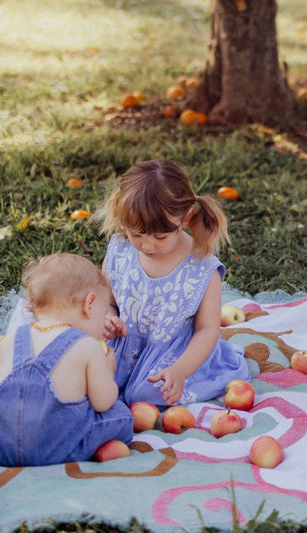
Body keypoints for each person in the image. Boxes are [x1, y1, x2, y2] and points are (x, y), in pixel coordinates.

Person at [99, 158, 250, 407]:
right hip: (125, 347)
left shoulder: (202, 267)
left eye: (160, 236)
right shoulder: (120, 250)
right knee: (85, 375)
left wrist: (180, 371)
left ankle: (196, 378)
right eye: (136, 234)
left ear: (186, 218)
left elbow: (207, 330)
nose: (147, 245)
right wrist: (108, 317)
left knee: (144, 394)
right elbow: (110, 301)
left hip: (178, 354)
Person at [0, 253, 133, 466]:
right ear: (89, 304)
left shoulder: (12, 339)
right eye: (103, 313)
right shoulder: (88, 346)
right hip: (55, 448)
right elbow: (102, 403)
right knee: (121, 416)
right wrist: (108, 369)